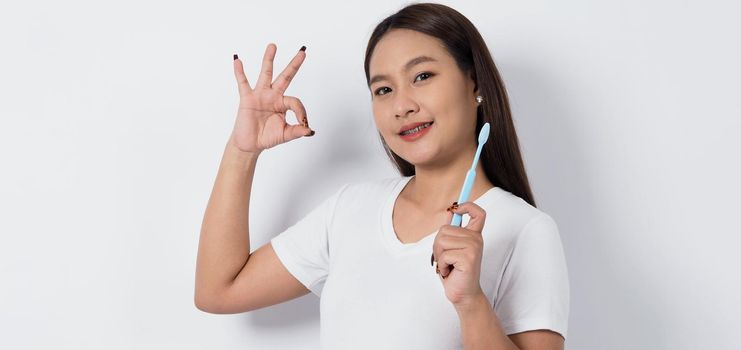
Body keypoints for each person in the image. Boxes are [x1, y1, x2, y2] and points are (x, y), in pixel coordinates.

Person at [195, 3, 569, 349]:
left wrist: (470, 303)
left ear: (475, 84)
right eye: (384, 89)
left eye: (422, 76)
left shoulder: (525, 229)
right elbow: (218, 290)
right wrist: (242, 151)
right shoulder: (349, 208)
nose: (402, 106)